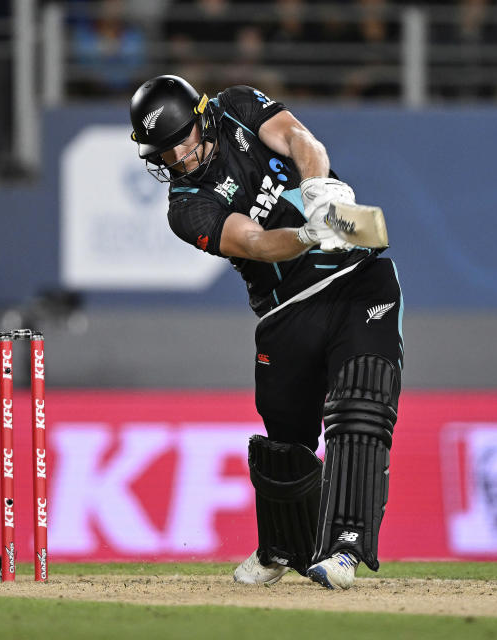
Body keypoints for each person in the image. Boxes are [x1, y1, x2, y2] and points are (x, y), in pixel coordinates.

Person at [128, 76, 403, 589]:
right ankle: (281, 547)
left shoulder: (236, 105)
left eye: (182, 139)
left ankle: (345, 546)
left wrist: (319, 192)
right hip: (285, 311)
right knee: (285, 444)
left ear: (202, 116)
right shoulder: (185, 208)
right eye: (165, 152)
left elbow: (301, 140)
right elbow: (252, 242)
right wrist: (306, 234)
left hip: (357, 281)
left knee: (360, 404)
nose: (178, 157)